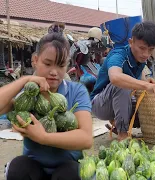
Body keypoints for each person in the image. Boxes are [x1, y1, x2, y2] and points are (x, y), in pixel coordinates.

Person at [2, 33, 93, 180]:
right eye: (48, 63)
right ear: (35, 60)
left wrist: (44, 137)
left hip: (67, 167)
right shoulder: (27, 94)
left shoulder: (77, 91)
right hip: (34, 167)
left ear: (67, 64)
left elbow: (86, 139)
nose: (54, 72)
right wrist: (25, 79)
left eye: (61, 65)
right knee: (18, 169)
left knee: (70, 174)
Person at [90, 21, 155, 141]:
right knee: (121, 84)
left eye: (150, 49)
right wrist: (146, 85)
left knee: (144, 100)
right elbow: (115, 78)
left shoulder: (140, 60)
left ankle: (117, 122)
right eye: (142, 48)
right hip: (100, 104)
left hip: (118, 101)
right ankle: (123, 134)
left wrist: (147, 82)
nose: (146, 54)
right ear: (131, 42)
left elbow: (140, 83)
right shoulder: (118, 55)